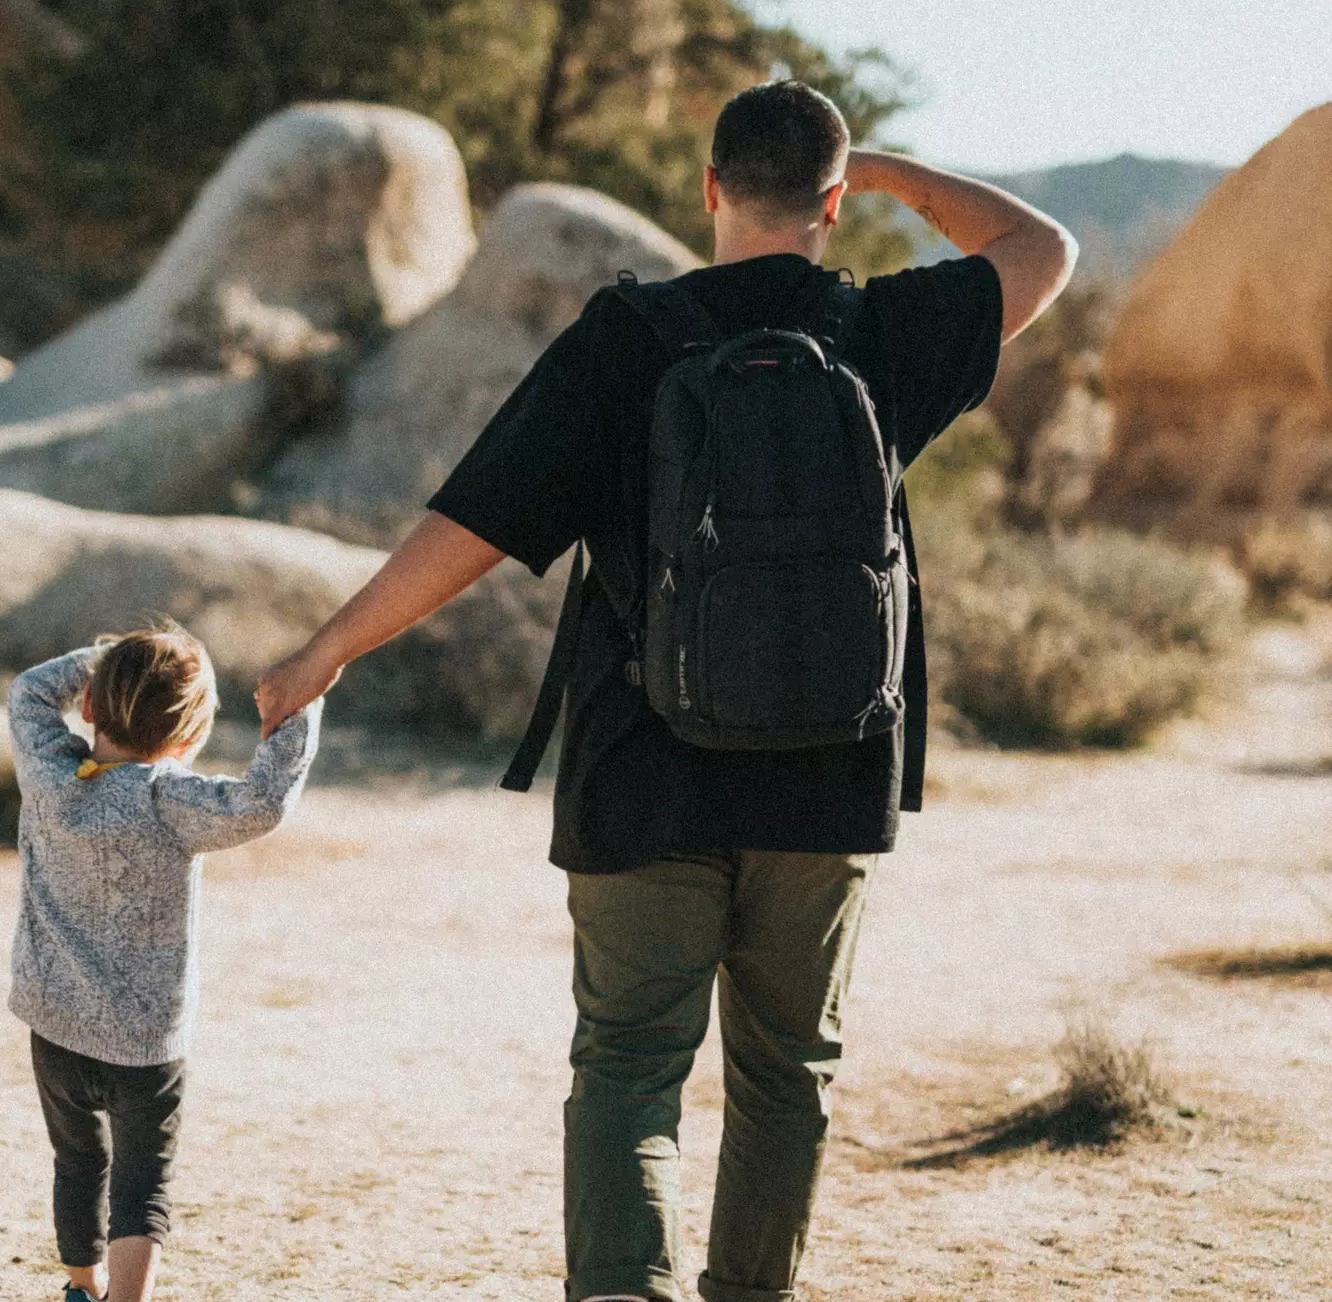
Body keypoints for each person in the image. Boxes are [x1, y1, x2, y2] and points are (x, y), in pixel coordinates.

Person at [254, 81, 1074, 1302]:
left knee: (632, 1066)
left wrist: (328, 646)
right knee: (787, 1071)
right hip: (829, 774)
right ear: (832, 205)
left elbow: (474, 522)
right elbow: (1041, 250)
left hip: (644, 771)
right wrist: (887, 170)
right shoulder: (883, 332)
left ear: (707, 188)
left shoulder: (627, 339)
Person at [7, 625, 319, 1302]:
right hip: (146, 1044)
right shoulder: (168, 799)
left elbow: (30, 691)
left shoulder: (50, 775)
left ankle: (80, 1289)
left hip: (52, 1025)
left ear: (89, 706)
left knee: (78, 1160)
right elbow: (262, 802)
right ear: (189, 735)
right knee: (142, 1182)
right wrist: (300, 708)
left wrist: (109, 660)